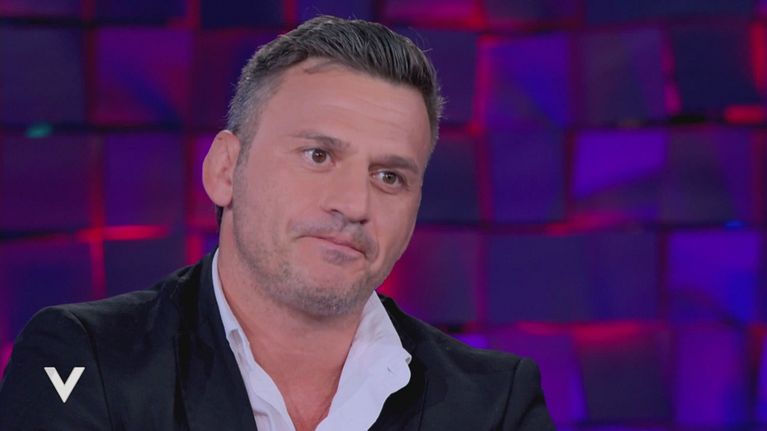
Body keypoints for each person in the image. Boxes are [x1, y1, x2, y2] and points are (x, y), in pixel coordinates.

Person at [0, 16, 554, 431]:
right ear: (225, 169)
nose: (353, 203)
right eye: (318, 155)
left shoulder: (495, 404)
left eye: (389, 176)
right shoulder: (87, 359)